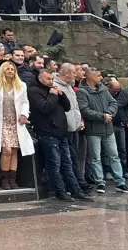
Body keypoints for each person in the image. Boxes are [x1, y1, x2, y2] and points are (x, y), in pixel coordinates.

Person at [28, 67, 87, 201]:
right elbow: (45, 107)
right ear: (40, 78)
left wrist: (61, 94)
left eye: (52, 79)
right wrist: (53, 95)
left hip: (61, 132)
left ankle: (75, 190)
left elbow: (67, 106)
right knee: (55, 163)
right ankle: (60, 191)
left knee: (67, 163)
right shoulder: (34, 91)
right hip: (47, 132)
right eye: (48, 79)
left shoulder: (53, 90)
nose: (51, 81)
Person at [0, 61, 33, 190]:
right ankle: (4, 178)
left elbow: (25, 102)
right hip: (0, 121)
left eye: (12, 69)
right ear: (2, 70)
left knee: (14, 150)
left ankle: (12, 178)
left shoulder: (21, 85)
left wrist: (24, 114)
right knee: (6, 150)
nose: (10, 71)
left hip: (15, 121)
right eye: (7, 69)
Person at [76, 66, 128, 194]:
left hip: (108, 129)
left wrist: (109, 113)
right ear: (91, 76)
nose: (101, 78)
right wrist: (102, 116)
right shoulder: (82, 92)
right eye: (98, 75)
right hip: (93, 130)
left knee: (114, 155)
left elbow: (113, 103)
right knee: (96, 157)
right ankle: (100, 181)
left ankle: (120, 181)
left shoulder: (104, 89)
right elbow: (84, 110)